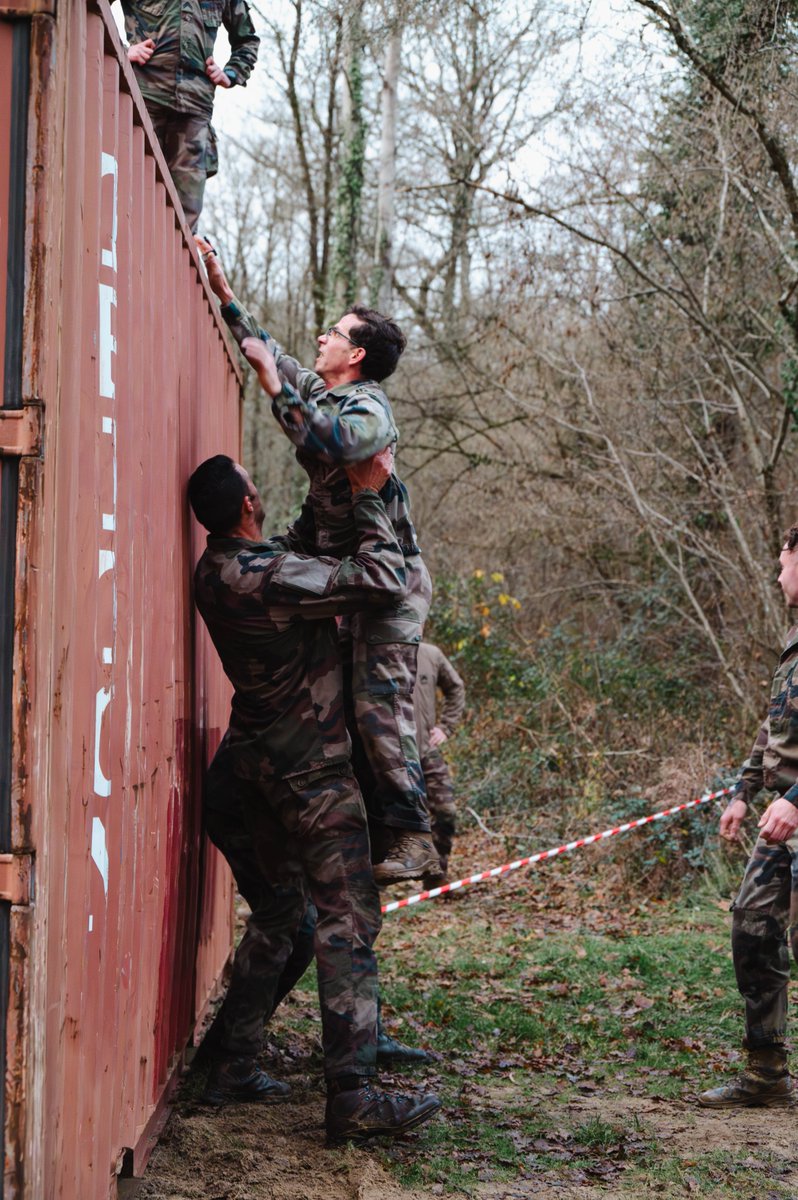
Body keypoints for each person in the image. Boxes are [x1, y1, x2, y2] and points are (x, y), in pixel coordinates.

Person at [188, 443, 440, 1142]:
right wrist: (365, 496)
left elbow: (294, 551)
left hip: (255, 768)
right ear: (245, 503)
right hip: (309, 775)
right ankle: (353, 1100)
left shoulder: (223, 568)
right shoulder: (261, 577)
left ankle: (233, 1063)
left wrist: (325, 484)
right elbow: (383, 579)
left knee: (283, 917)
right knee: (348, 921)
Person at [195, 238, 439, 887]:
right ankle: (380, 818)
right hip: (337, 552)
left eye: (333, 334)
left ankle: (416, 833)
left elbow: (332, 442)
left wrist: (277, 390)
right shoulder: (325, 392)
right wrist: (225, 292)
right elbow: (270, 353)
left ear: (356, 354)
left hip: (393, 577)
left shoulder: (365, 412)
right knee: (339, 694)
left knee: (375, 700)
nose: (321, 340)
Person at [698, 524, 798, 1109]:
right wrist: (744, 792)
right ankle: (766, 1074)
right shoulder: (792, 639)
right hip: (780, 819)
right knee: (754, 928)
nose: (778, 573)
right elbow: (775, 730)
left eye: (784, 562)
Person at [116, 0, 259, 231]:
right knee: (127, 194)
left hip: (195, 109)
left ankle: (170, 266)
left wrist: (230, 74)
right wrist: (124, 49)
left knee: (183, 216)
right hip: (144, 98)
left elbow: (247, 40)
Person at [413, 639, 466, 888]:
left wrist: (445, 727)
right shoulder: (375, 653)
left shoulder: (431, 654)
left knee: (446, 812)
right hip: (384, 755)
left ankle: (435, 878)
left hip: (426, 751)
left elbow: (456, 687)